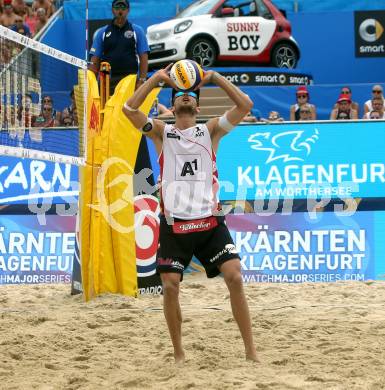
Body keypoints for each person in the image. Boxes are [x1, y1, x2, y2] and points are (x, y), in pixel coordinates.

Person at [122, 65, 258, 364]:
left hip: (210, 223)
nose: (185, 98)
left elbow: (245, 105)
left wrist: (214, 78)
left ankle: (251, 352)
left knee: (235, 277)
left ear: (197, 104)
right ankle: (179, 353)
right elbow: (128, 109)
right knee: (170, 286)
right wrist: (156, 79)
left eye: (191, 95)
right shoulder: (161, 131)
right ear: (173, 105)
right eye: (179, 94)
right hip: (175, 225)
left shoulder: (211, 130)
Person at [89, 0, 149, 94]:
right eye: (117, 7)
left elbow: (144, 58)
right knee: (106, 108)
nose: (120, 10)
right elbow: (94, 60)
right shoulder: (102, 32)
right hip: (107, 80)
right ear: (112, 10)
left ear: (128, 10)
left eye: (123, 7)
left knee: (127, 108)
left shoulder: (137, 31)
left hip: (130, 80)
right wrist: (91, 84)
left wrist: (141, 80)